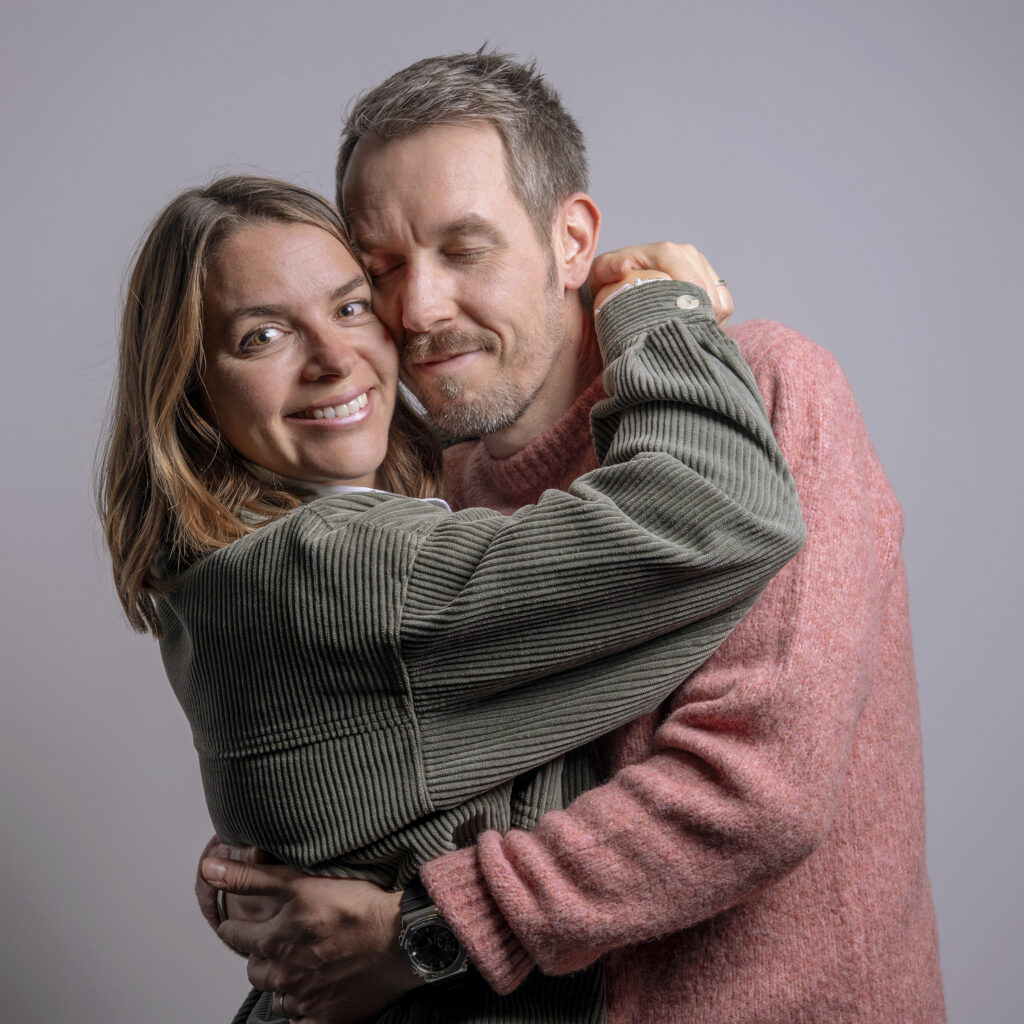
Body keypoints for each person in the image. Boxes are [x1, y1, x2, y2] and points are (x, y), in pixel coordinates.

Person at [196, 51, 946, 1024]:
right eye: (381, 270)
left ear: (571, 238)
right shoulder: (443, 485)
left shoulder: (764, 389)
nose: (417, 307)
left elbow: (756, 788)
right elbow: (421, 776)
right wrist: (277, 879)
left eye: (463, 248)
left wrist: (420, 935)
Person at [99, 174, 804, 1024]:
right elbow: (718, 509)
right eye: (264, 335)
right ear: (191, 395)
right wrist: (657, 309)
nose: (334, 358)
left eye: (353, 307)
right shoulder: (335, 572)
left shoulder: (219, 575)